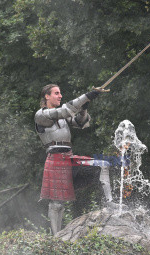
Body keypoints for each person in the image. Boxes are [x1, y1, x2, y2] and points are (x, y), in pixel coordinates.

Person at [35, 84, 118, 235]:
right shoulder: (40, 115)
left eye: (60, 93)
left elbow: (81, 123)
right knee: (56, 203)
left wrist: (84, 108)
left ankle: (110, 203)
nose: (60, 96)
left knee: (102, 165)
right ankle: (56, 237)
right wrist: (87, 95)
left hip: (69, 157)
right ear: (47, 96)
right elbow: (66, 110)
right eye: (56, 93)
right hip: (55, 158)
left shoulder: (62, 118)